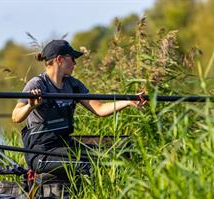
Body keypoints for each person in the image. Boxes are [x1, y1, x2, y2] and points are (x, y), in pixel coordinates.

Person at [12, 39, 146, 174]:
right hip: (41, 152)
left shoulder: (73, 85)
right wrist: (30, 106)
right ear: (59, 59)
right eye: (72, 58)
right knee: (86, 165)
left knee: (109, 156)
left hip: (65, 144)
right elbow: (16, 116)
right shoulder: (37, 84)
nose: (75, 63)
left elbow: (100, 109)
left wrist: (129, 101)